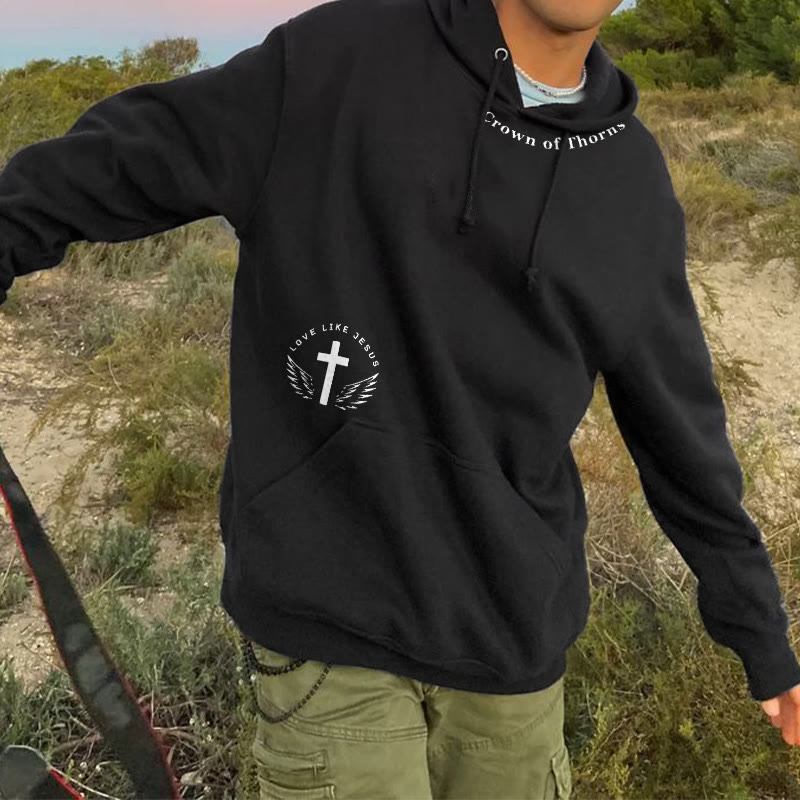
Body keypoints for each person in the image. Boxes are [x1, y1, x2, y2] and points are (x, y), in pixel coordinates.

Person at [2, 0, 799, 797]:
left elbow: (676, 420)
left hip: (511, 646)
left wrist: (758, 627)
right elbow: (132, 155)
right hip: (330, 629)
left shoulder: (629, 178)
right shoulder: (337, 61)